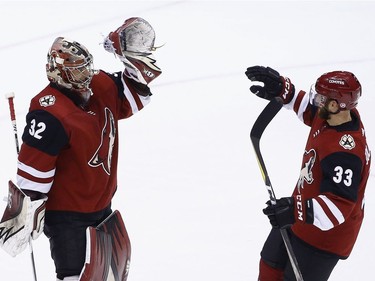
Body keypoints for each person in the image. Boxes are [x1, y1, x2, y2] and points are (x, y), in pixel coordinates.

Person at [0, 17, 162, 280]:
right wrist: (26, 211)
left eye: (87, 68)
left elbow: (136, 96)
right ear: (59, 73)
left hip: (102, 210)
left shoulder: (99, 86)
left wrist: (133, 58)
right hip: (68, 221)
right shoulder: (48, 113)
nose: (86, 76)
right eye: (78, 71)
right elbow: (31, 178)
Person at [245, 66, 371, 281]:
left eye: (321, 99)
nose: (316, 101)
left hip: (325, 238)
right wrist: (284, 90)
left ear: (334, 105)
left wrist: (295, 209)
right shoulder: (334, 116)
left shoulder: (345, 153)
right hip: (299, 217)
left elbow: (338, 208)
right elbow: (309, 110)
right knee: (269, 266)